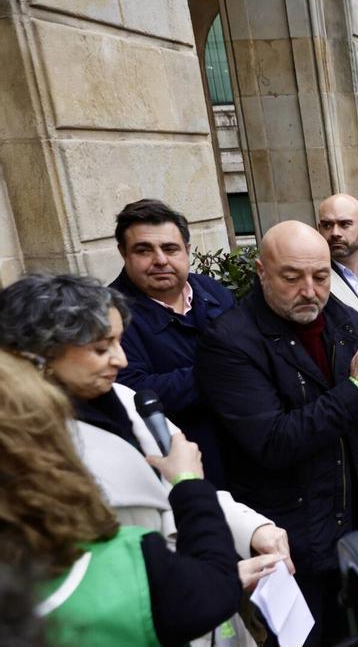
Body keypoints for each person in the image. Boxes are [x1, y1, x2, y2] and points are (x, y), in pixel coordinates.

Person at [0, 275, 289, 645]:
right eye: (102, 348)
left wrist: (252, 529)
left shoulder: (124, 398)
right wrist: (208, 576)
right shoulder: (27, 449)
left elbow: (180, 480)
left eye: (119, 342)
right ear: (39, 355)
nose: (120, 360)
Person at [196, 222, 358, 644]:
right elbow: (274, 443)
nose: (309, 290)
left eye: (321, 276)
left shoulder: (343, 319)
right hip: (294, 544)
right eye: (291, 278)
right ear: (261, 272)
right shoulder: (229, 342)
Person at [0, 352, 243, 646]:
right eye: (100, 347)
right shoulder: (118, 565)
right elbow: (212, 591)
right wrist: (190, 483)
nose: (120, 359)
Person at [109, 199, 236, 486]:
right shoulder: (111, 316)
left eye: (170, 248)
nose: (160, 260)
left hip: (244, 458)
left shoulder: (213, 292)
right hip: (178, 472)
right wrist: (223, 371)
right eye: (143, 250)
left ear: (187, 251)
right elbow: (131, 392)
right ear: (123, 254)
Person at [318, 193, 358, 315]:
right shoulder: (312, 280)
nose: (335, 233)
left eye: (344, 224)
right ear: (319, 230)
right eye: (327, 225)